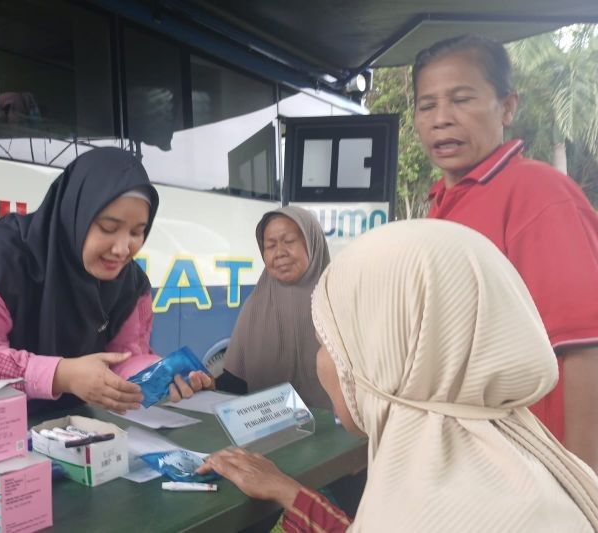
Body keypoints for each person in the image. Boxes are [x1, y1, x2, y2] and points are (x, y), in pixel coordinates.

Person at [197, 219, 598, 532]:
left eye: (331, 344)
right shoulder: (518, 467)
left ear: (391, 357)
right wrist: (288, 491)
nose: (321, 361)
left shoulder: (430, 513)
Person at [0, 148, 212, 430]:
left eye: (137, 232)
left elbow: (124, 357)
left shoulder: (131, 284)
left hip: (58, 429)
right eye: (108, 227)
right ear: (75, 213)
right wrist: (61, 375)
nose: (122, 248)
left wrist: (160, 373)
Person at [413, 34, 598, 469]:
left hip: (532, 463)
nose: (441, 119)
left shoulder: (538, 193)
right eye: (427, 105)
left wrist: (581, 484)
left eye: (461, 99)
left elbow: (584, 348)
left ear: (507, 106)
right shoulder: (441, 203)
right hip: (468, 456)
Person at [217, 206, 332, 409]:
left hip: (337, 432)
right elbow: (235, 383)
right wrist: (207, 385)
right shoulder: (255, 307)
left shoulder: (338, 304)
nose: (279, 253)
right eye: (270, 246)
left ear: (312, 243)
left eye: (289, 242)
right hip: (268, 430)